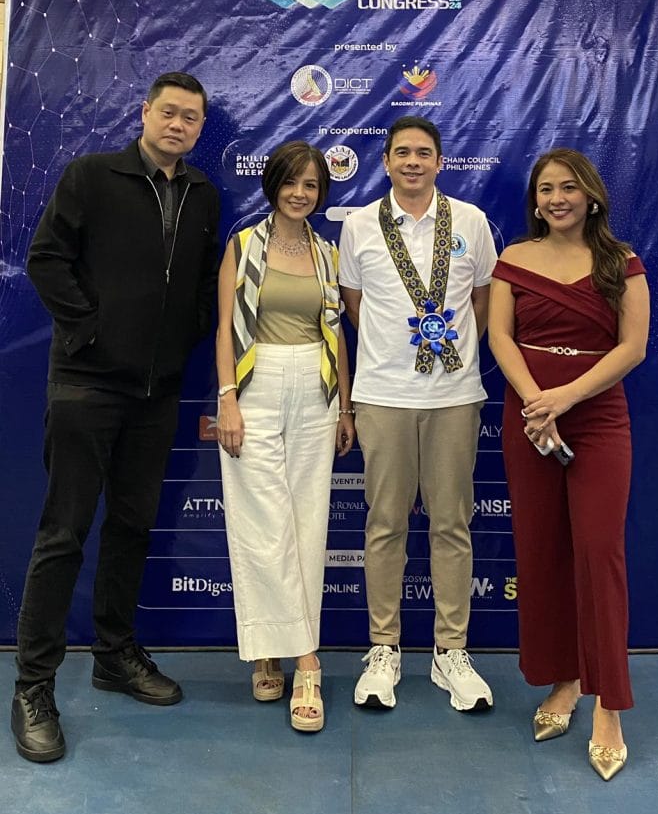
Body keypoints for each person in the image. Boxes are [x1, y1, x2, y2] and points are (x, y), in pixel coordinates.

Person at [12, 72, 220, 763]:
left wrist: (179, 339)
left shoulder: (202, 194)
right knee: (64, 533)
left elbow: (201, 285)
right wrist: (92, 333)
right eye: (169, 112)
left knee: (132, 525)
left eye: (191, 117)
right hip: (87, 386)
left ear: (200, 127)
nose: (178, 125)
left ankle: (114, 654)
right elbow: (46, 259)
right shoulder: (91, 176)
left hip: (157, 395)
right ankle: (33, 687)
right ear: (145, 112)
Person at [488, 148, 649, 781]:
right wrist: (537, 402)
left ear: (591, 197)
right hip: (528, 417)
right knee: (543, 551)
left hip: (597, 417)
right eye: (546, 189)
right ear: (535, 200)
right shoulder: (513, 258)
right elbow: (500, 336)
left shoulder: (620, 262)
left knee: (599, 552)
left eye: (568, 188)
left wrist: (565, 398)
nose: (556, 198)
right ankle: (565, 679)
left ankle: (609, 704)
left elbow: (633, 347)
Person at [338, 116, 497, 712]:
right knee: (385, 524)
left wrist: (448, 348)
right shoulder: (359, 225)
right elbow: (355, 305)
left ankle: (450, 651)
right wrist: (394, 352)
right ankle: (384, 649)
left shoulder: (471, 222)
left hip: (454, 396)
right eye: (402, 152)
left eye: (424, 152)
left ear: (439, 161)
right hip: (383, 395)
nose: (412, 161)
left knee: (452, 524)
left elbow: (482, 299)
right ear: (385, 161)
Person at [216, 140, 354, 733]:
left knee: (306, 523)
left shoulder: (327, 254)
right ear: (273, 184)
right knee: (262, 521)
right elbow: (225, 329)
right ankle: (304, 661)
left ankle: (281, 652)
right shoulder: (243, 245)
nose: (300, 193)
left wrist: (346, 405)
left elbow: (337, 334)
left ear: (321, 194)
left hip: (316, 387)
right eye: (291, 182)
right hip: (256, 383)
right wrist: (227, 398)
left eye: (311, 185)